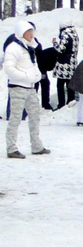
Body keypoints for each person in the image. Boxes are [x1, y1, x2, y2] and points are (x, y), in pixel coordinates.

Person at [4, 21, 50, 158]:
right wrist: (25, 77)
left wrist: (35, 76)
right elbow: (9, 69)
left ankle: (36, 145)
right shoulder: (13, 48)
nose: (31, 34)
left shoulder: (29, 47)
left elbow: (32, 65)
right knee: (16, 118)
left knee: (35, 116)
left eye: (32, 32)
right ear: (21, 33)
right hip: (18, 88)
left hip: (30, 88)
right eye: (28, 32)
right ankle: (11, 148)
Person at [53, 19, 80, 108]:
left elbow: (61, 49)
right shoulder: (75, 34)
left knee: (60, 84)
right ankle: (70, 102)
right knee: (70, 84)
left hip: (64, 63)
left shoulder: (65, 34)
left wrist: (55, 43)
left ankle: (61, 104)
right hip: (73, 62)